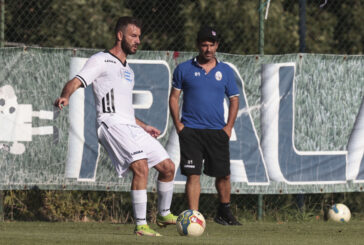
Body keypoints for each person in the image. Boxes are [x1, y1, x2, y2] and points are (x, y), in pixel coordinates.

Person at [54, 16, 177, 236]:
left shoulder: (128, 69)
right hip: (109, 123)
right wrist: (65, 96)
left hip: (130, 125)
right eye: (133, 36)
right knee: (140, 166)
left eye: (139, 36)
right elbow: (76, 81)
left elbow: (125, 109)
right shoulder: (101, 59)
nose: (138, 40)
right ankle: (141, 225)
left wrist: (143, 125)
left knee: (168, 167)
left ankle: (164, 213)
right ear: (120, 36)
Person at [169, 26, 241, 225]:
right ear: (198, 45)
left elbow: (234, 99)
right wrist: (178, 125)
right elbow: (174, 98)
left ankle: (223, 212)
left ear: (217, 46)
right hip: (190, 130)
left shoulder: (225, 71)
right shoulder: (183, 69)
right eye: (204, 45)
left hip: (217, 131)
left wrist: (228, 128)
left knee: (224, 174)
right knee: (193, 175)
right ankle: (193, 217)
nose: (208, 49)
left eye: (211, 45)